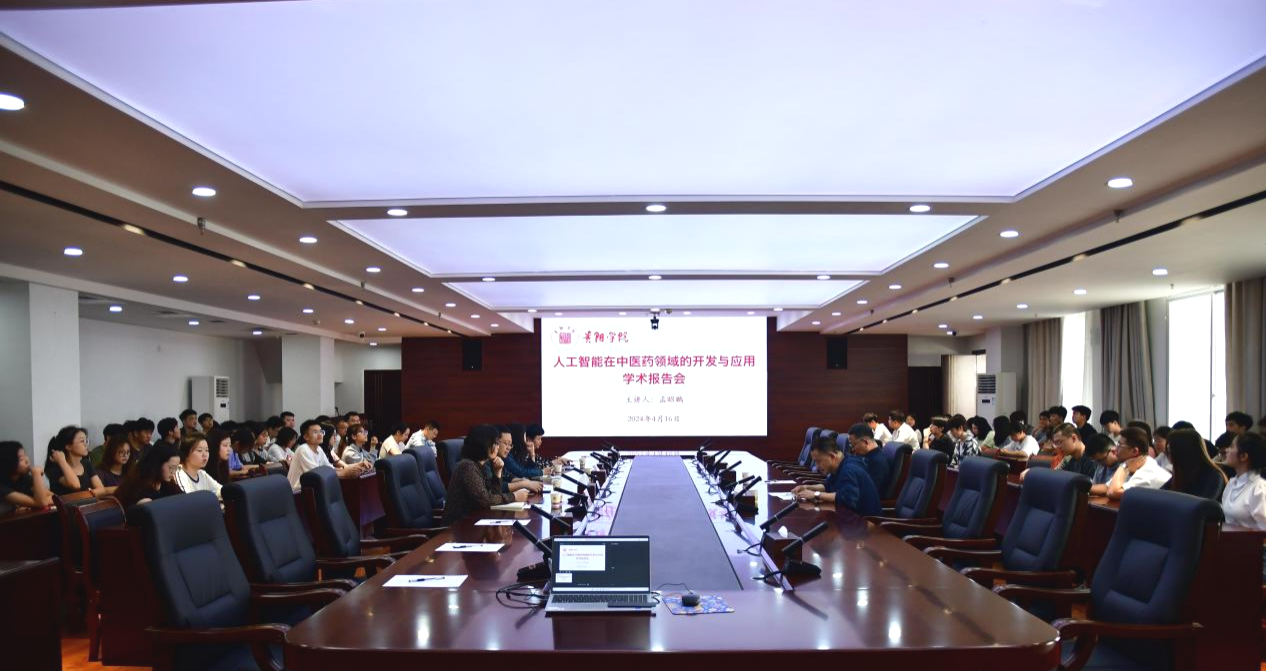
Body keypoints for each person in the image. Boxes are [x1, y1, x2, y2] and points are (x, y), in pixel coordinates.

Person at [442, 424, 529, 525]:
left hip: (474, 521)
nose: (497, 447)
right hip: (458, 527)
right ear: (484, 444)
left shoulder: (480, 466)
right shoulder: (468, 466)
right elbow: (485, 500)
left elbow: (495, 495)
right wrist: (514, 496)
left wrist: (497, 474)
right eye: (495, 443)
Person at [790, 436, 882, 515]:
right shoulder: (841, 464)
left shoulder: (849, 469)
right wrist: (807, 487)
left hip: (865, 522)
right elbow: (827, 486)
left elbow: (846, 498)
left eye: (818, 461)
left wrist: (815, 494)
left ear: (832, 456)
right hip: (850, 518)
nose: (817, 466)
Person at [287, 420, 368, 491]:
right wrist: (344, 473)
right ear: (306, 437)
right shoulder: (303, 449)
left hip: (312, 489)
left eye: (321, 431)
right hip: (297, 493)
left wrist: (359, 465)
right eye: (315, 432)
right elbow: (317, 475)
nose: (320, 434)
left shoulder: (319, 449)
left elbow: (330, 469)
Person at [1106, 427, 1171, 500]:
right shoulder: (1133, 464)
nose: (1115, 449)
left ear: (1134, 451)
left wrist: (1124, 467)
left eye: (1119, 445)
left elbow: (1112, 492)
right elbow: (1107, 487)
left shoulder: (1147, 471)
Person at [47, 425, 111, 497]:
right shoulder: (56, 468)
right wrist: (62, 461)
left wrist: (92, 493)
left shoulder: (87, 464)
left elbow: (101, 489)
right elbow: (75, 485)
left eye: (86, 441)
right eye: (82, 441)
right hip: (68, 504)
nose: (86, 444)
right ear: (68, 446)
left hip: (88, 503)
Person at [113, 443, 182, 510]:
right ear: (158, 464)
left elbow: (183, 499)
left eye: (176, 468)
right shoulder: (139, 487)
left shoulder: (167, 484)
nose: (173, 472)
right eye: (171, 467)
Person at [1166, 428, 1228, 501]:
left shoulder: (1213, 476)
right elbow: (1162, 494)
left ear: (1183, 452)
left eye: (1170, 452)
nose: (1169, 457)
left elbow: (1201, 504)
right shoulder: (1183, 472)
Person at [1220, 432, 1265, 530]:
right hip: (1230, 538)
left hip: (1251, 540)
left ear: (1243, 456)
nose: (1227, 450)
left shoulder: (1259, 489)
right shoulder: (1231, 483)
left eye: (1232, 447)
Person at [0, 441, 53, 509]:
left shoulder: (24, 478)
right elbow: (42, 502)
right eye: (21, 459)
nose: (27, 460)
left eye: (25, 455)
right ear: (8, 464)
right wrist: (36, 473)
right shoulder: (2, 487)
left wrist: (33, 504)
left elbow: (54, 497)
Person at [492, 427, 542, 495]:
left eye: (510, 444)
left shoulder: (505, 456)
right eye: (506, 443)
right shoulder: (505, 458)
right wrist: (524, 484)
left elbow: (507, 475)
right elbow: (521, 472)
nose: (508, 448)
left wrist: (523, 481)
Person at [175, 433, 223, 499]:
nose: (205, 455)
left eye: (207, 450)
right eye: (199, 450)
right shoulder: (180, 474)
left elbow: (222, 490)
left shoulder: (202, 474)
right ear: (186, 453)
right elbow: (190, 500)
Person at [847, 423, 890, 490]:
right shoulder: (866, 455)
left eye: (854, 445)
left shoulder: (877, 463)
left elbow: (869, 491)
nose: (853, 449)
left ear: (865, 442)